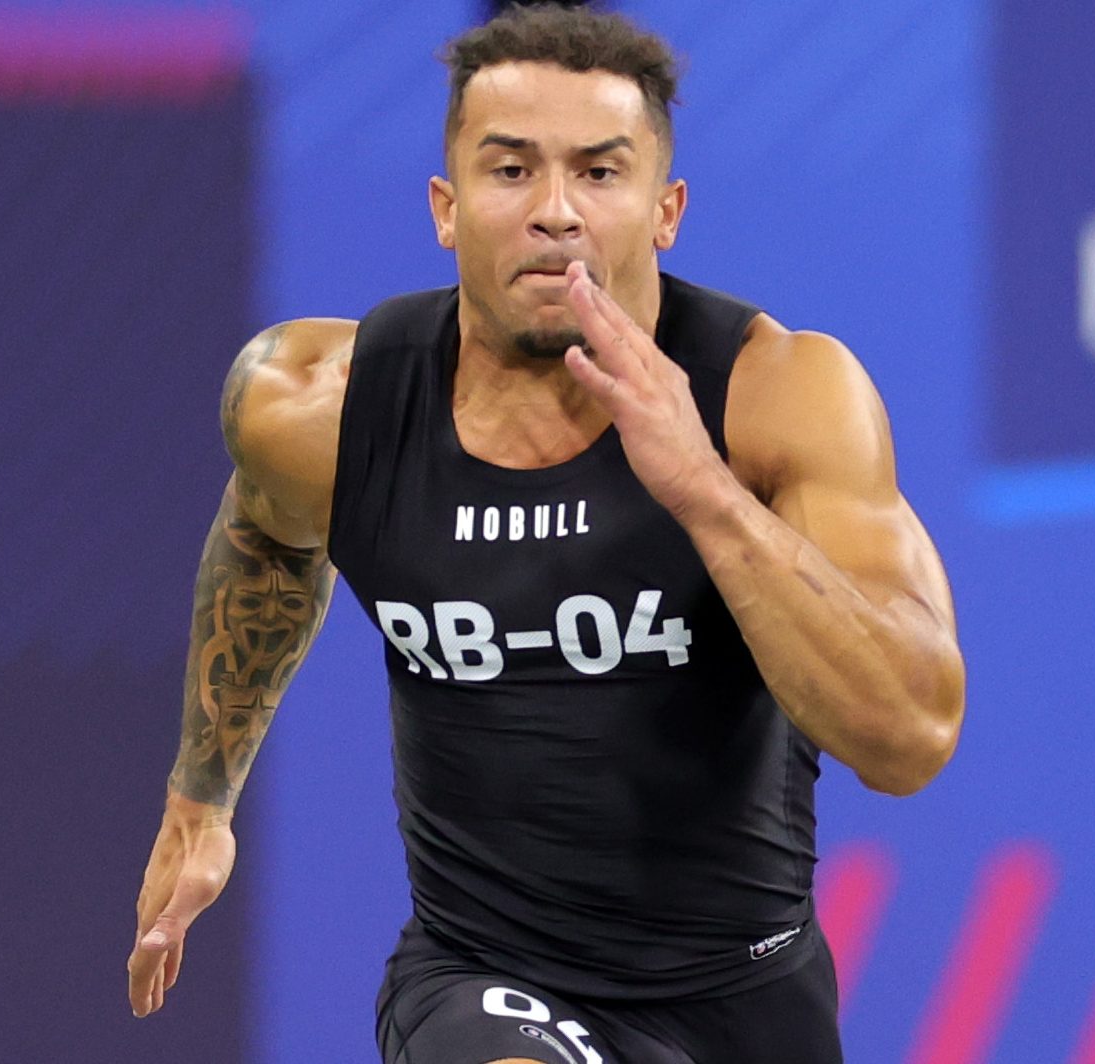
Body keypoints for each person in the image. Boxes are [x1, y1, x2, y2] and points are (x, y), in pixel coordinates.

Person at [126, 6, 964, 1061]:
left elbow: (908, 736)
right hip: (482, 979)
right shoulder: (320, 405)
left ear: (666, 210)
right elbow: (266, 539)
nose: (555, 212)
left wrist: (701, 489)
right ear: (445, 206)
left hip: (743, 998)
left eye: (600, 174)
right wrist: (201, 797)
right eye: (510, 170)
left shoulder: (777, 399)